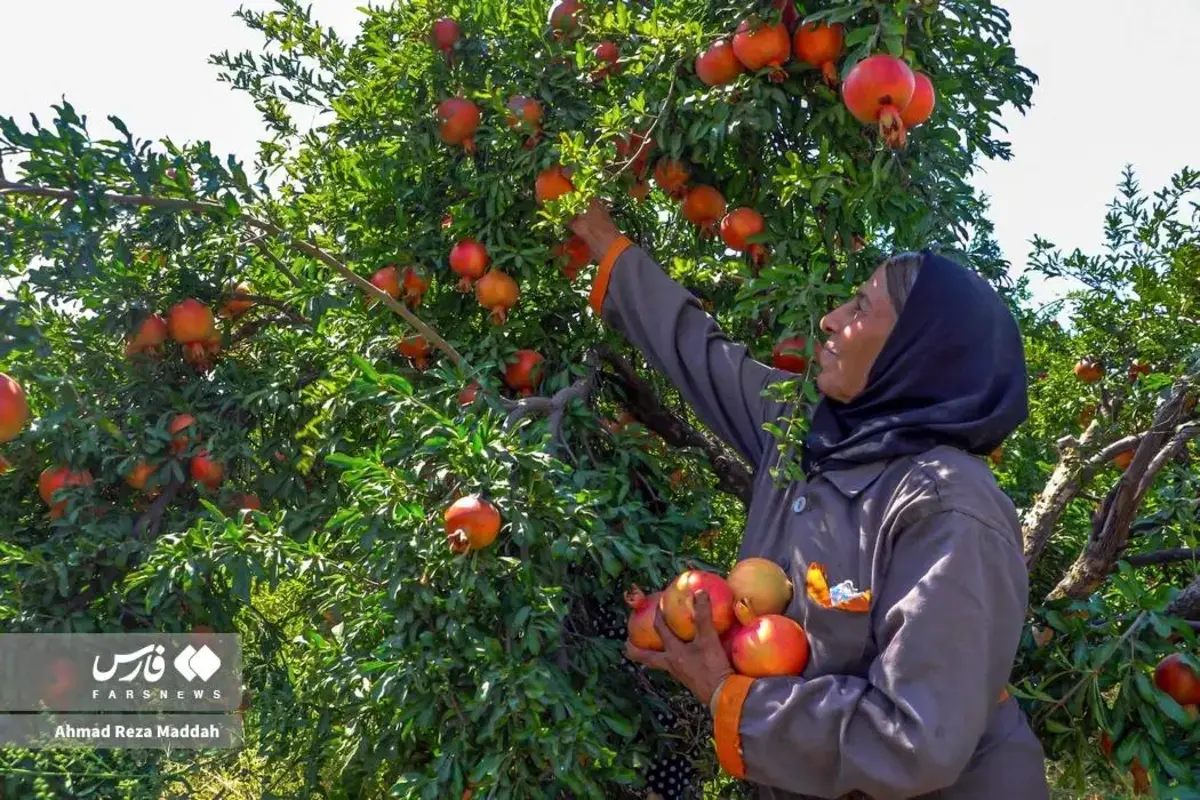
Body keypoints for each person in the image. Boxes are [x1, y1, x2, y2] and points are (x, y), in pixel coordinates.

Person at [568, 199, 1051, 800]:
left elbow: (915, 738)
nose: (829, 318)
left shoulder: (947, 505)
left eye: (860, 307)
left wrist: (732, 697)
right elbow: (699, 351)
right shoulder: (798, 427)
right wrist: (608, 245)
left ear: (918, 349)